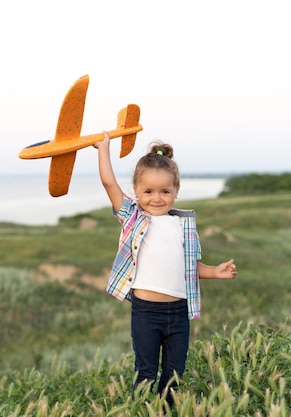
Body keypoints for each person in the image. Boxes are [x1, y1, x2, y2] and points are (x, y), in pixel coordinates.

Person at [94, 132, 237, 409]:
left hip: (178, 314)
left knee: (173, 374)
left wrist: (215, 272)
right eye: (148, 191)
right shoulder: (133, 216)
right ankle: (137, 410)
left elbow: (191, 267)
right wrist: (103, 149)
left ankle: (164, 411)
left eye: (165, 191)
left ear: (176, 191)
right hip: (146, 312)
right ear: (135, 190)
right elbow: (108, 182)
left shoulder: (183, 225)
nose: (156, 198)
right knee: (145, 372)